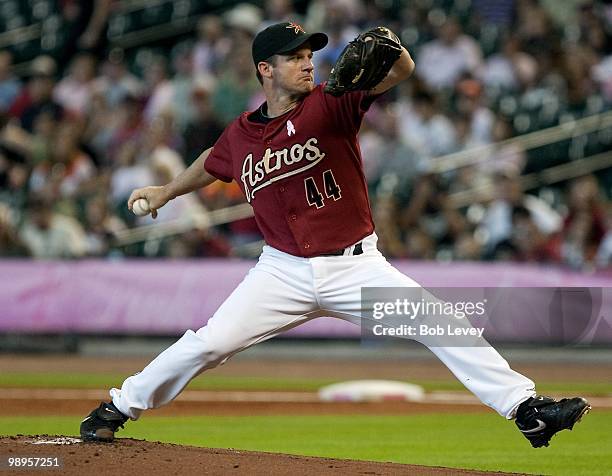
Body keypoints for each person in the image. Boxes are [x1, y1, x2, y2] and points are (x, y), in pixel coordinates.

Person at [80, 21, 590, 449]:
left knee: (443, 322)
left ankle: (526, 409)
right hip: (280, 272)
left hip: (355, 267)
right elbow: (215, 163)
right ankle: (118, 406)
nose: (307, 63)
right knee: (209, 343)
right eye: (295, 57)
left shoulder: (333, 102)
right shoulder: (240, 133)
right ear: (265, 69)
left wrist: (396, 50)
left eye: (309, 55)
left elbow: (401, 71)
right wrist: (167, 190)